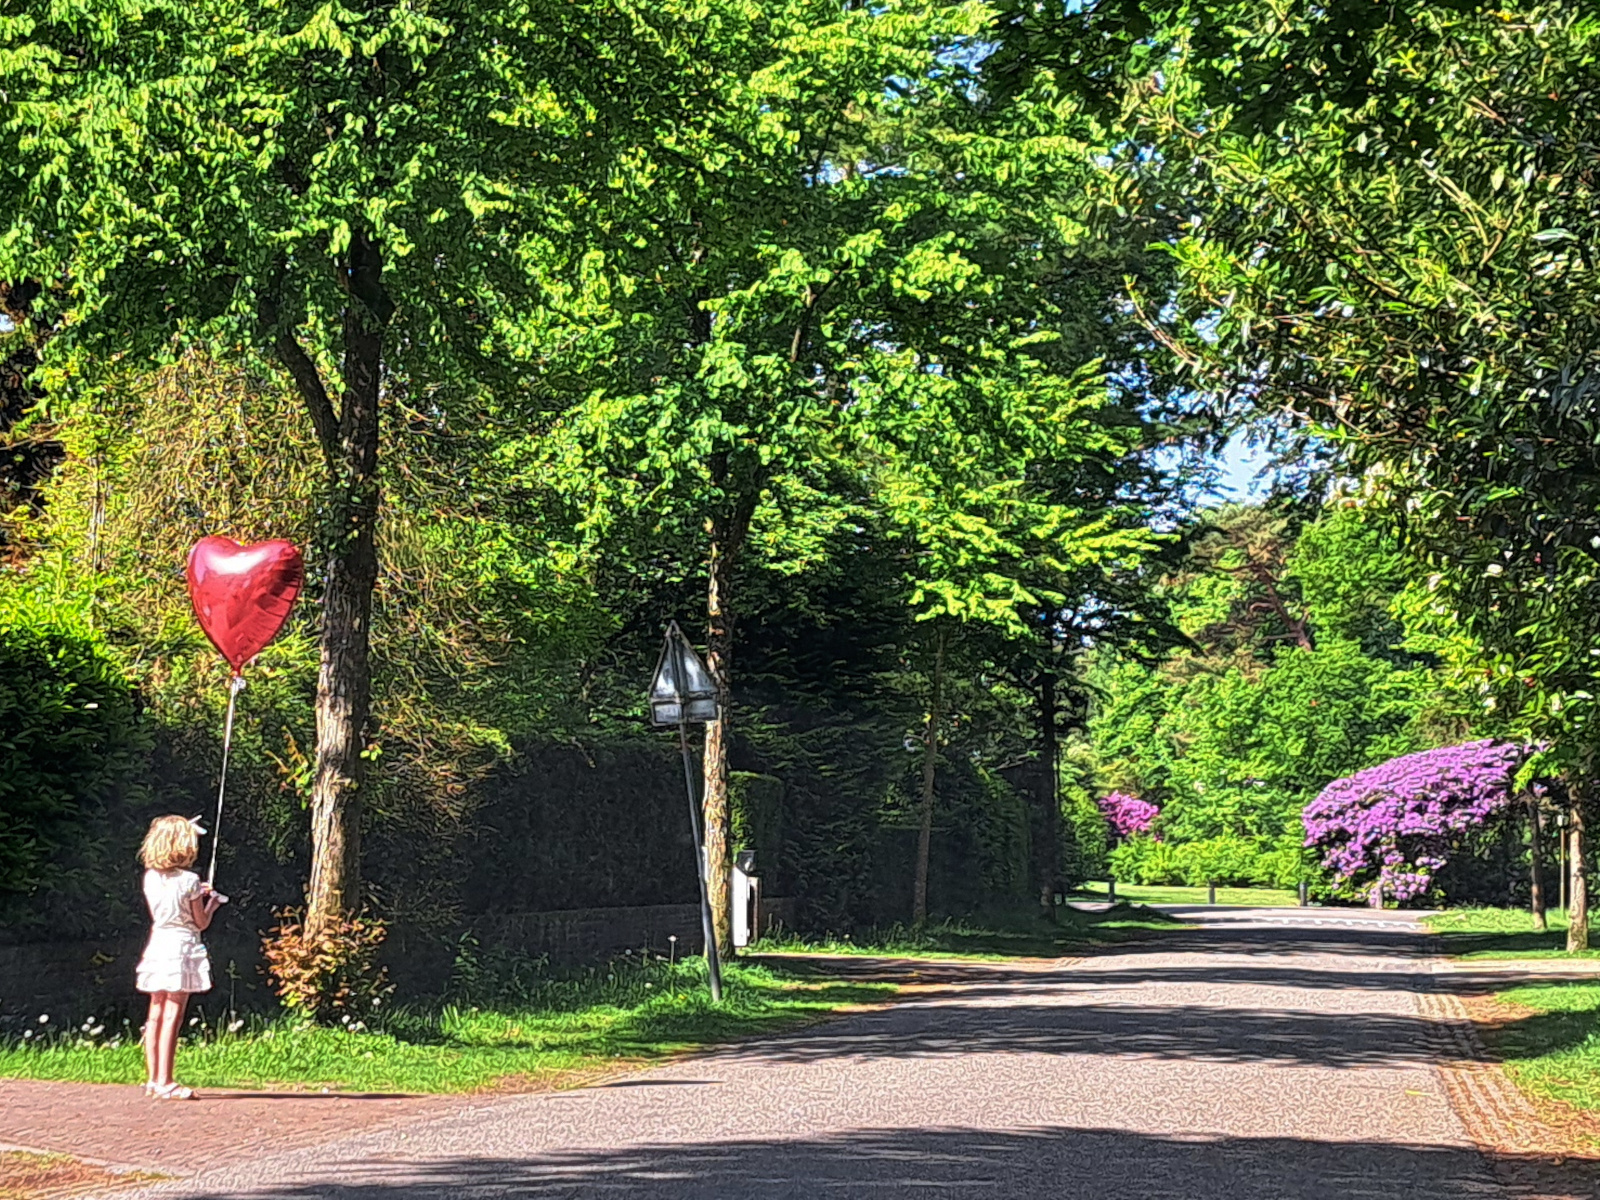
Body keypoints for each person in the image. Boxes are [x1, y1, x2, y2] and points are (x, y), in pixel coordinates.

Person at [134, 815, 227, 1100]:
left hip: (158, 942)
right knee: (173, 1013)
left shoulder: (150, 877)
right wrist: (210, 903)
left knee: (156, 1011)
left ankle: (152, 1079)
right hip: (182, 946)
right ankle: (166, 1080)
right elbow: (199, 923)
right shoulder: (190, 880)